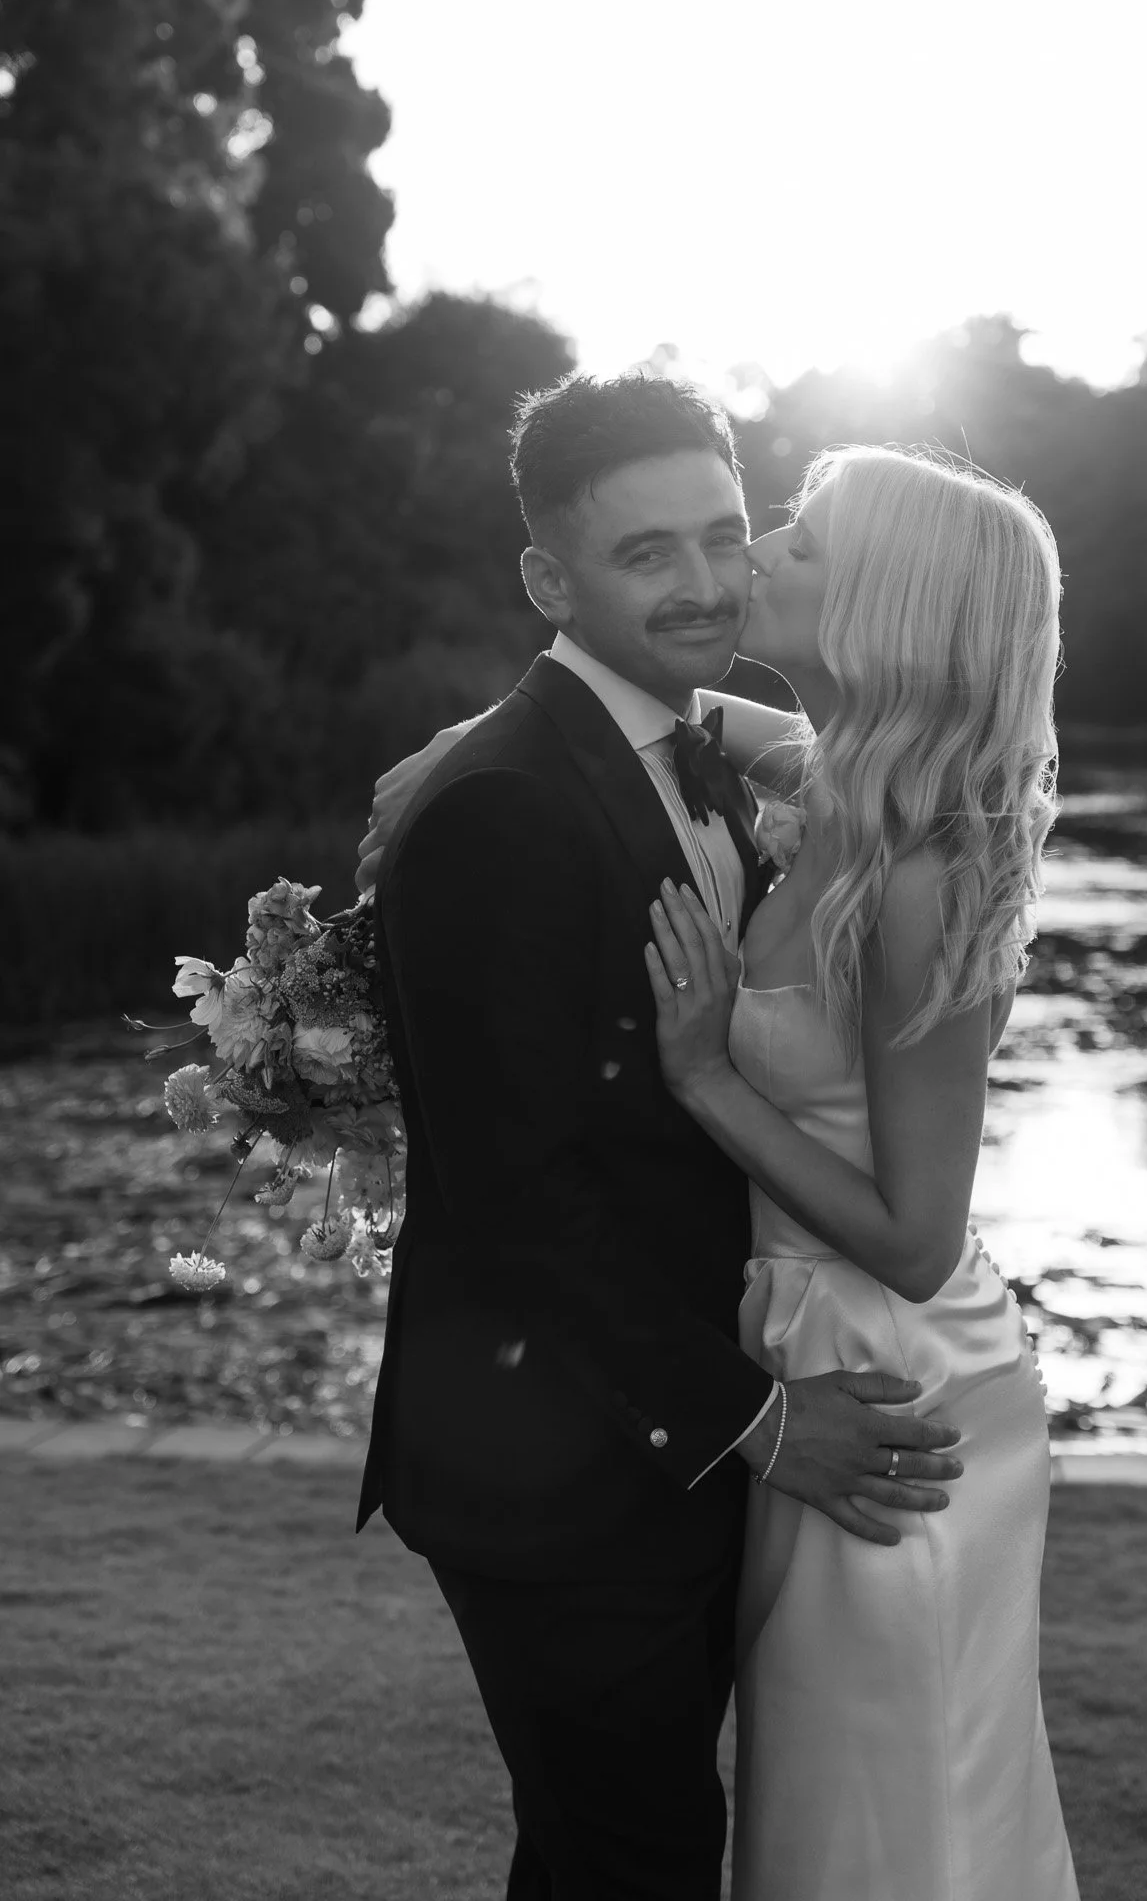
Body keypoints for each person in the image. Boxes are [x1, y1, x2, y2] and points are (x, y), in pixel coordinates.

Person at [355, 374, 963, 1901]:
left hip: (672, 1444)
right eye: (645, 554)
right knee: (637, 1864)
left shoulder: (722, 759)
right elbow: (513, 1202)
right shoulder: (502, 804)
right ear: (548, 580)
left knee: (624, 1857)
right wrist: (761, 1424)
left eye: (722, 535)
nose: (703, 583)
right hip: (558, 1462)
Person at [643, 445, 1080, 1899]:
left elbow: (916, 1233)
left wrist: (704, 1075)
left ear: (888, 609)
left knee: (898, 1820)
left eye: (804, 541)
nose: (759, 546)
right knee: (815, 1805)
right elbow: (691, 708)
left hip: (900, 1382)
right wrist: (463, 747)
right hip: (810, 1348)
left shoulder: (922, 879)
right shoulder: (832, 792)